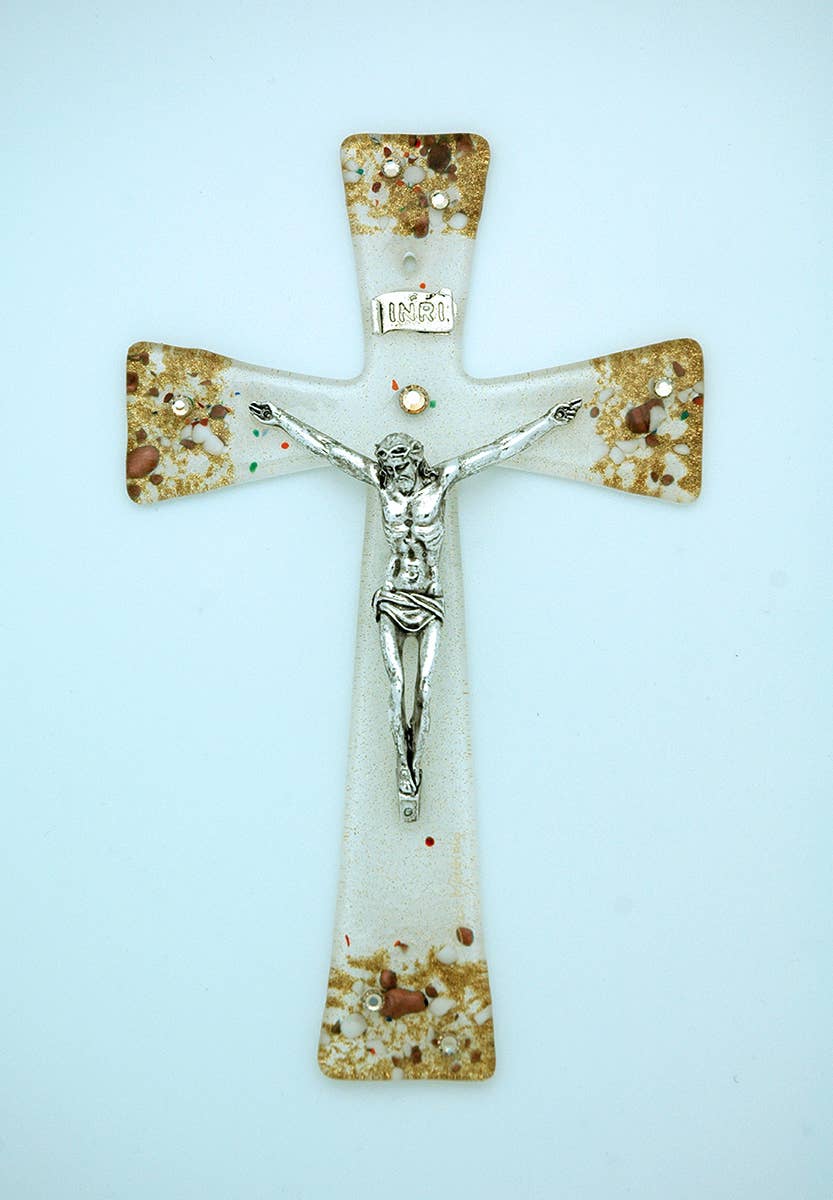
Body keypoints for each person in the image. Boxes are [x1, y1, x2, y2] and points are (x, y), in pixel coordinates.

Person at [250, 396, 581, 808]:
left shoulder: (441, 480)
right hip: (392, 594)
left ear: (416, 454)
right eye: (387, 458)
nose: (394, 465)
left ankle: (416, 765)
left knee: (424, 687)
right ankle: (402, 773)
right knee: (395, 686)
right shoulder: (381, 483)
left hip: (429, 595)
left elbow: (498, 449)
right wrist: (280, 419)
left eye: (400, 456)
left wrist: (549, 421)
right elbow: (330, 449)